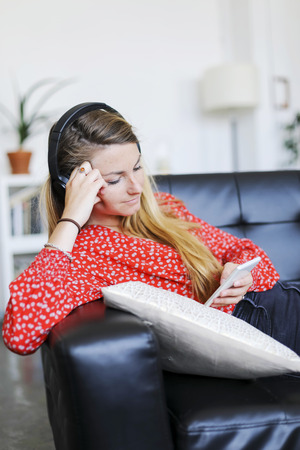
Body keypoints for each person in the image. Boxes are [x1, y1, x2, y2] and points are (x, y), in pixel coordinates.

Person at [2, 103, 299, 357]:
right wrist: (70, 220)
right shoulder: (83, 257)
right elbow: (20, 334)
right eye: (115, 179)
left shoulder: (163, 208)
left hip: (281, 304)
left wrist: (244, 275)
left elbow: (248, 252)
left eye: (137, 167)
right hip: (257, 330)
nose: (136, 186)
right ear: (73, 185)